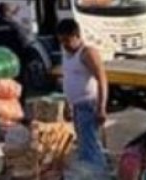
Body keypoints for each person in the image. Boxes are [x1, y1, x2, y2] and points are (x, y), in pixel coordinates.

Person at [56, 18, 109, 176]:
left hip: (89, 105)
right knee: (84, 146)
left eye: (66, 40)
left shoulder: (87, 53)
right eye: (61, 41)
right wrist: (67, 104)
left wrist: (101, 108)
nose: (64, 44)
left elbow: (102, 80)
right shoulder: (66, 53)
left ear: (76, 36)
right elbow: (67, 78)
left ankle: (99, 175)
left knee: (91, 147)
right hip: (77, 106)